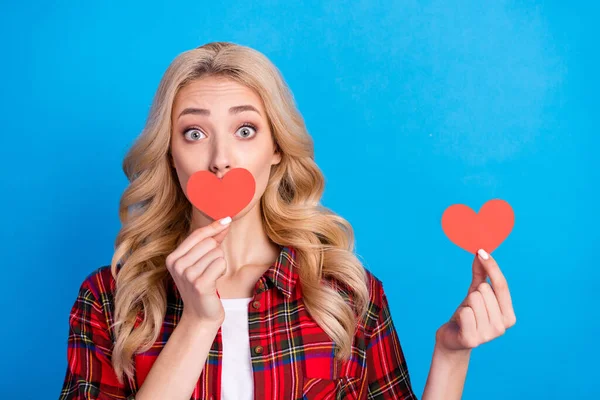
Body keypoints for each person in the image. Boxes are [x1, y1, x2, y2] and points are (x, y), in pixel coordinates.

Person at [59, 41, 516, 400]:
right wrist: (197, 323)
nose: (221, 159)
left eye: (245, 130)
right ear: (170, 154)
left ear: (275, 148)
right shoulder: (110, 299)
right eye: (194, 133)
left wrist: (452, 354)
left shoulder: (343, 293)